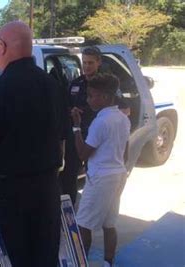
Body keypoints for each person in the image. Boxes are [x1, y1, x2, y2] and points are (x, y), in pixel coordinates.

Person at [0, 21, 68, 267]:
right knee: (46, 259)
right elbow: (62, 141)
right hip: (47, 190)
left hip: (9, 198)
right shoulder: (54, 86)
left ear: (1, 46)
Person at [71, 73, 130, 267]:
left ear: (104, 97)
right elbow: (126, 151)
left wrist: (76, 127)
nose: (88, 99)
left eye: (91, 95)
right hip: (118, 174)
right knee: (109, 223)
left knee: (83, 224)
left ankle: (82, 263)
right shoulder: (122, 118)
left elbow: (83, 154)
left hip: (101, 178)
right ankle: (108, 262)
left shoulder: (100, 122)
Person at [60, 46, 130, 205]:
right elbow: (65, 107)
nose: (86, 66)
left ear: (99, 62)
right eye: (84, 63)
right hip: (78, 135)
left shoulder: (107, 84)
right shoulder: (76, 83)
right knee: (69, 175)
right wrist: (72, 111)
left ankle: (95, 204)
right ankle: (70, 209)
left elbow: (125, 109)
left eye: (90, 63)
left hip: (99, 137)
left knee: (95, 174)